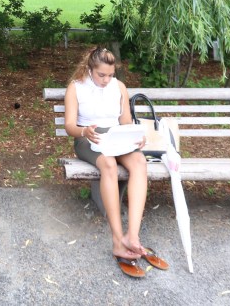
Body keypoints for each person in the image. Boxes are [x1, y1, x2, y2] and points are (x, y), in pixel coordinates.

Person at [63, 46, 168, 279]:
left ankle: (133, 236)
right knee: (108, 165)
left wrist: (135, 139)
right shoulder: (76, 88)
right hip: (89, 139)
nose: (106, 79)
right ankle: (117, 240)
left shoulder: (118, 86)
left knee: (139, 161)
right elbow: (70, 126)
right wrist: (84, 131)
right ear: (90, 69)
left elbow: (126, 122)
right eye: (102, 75)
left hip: (116, 137)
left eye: (110, 75)